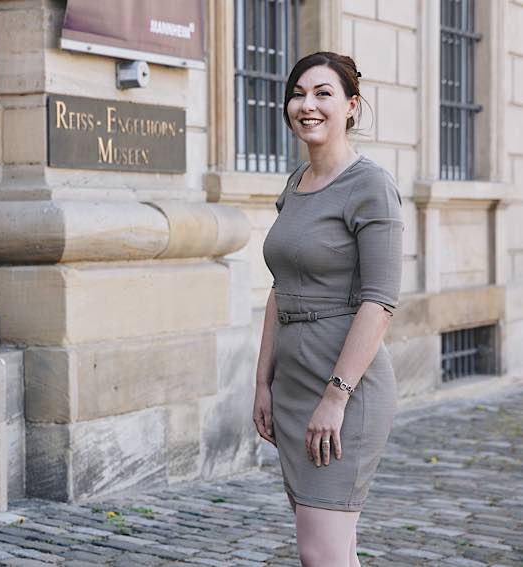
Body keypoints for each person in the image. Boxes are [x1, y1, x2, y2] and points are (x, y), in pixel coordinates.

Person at [253, 52, 403, 567]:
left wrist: (336, 398)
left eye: (323, 93)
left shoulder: (370, 185)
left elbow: (380, 302)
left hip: (344, 387)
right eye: (298, 93)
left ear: (351, 107)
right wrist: (261, 383)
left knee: (321, 551)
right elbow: (279, 288)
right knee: (330, 549)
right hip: (292, 383)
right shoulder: (295, 184)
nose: (307, 105)